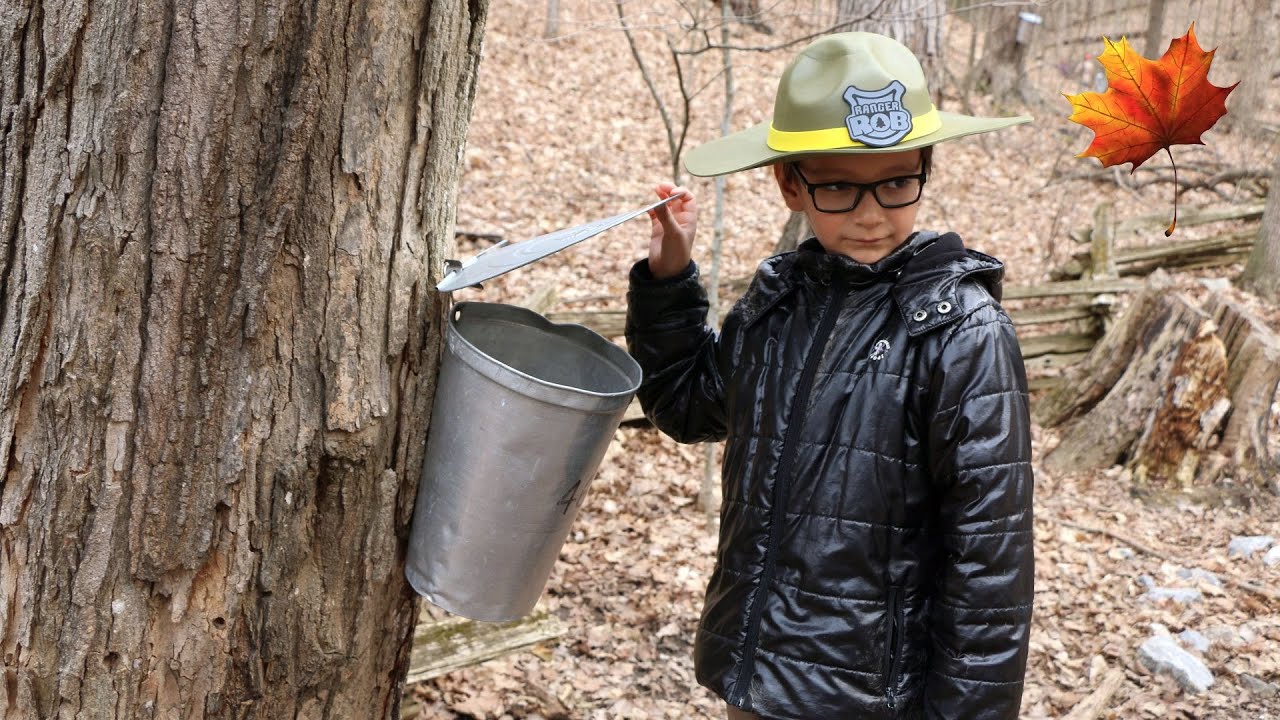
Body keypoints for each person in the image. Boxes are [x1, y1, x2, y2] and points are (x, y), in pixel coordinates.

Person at [624, 32, 1035, 719]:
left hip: (874, 700)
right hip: (757, 686)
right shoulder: (778, 305)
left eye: (897, 182)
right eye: (840, 187)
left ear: (924, 169)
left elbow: (992, 568)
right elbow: (686, 407)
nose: (873, 214)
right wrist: (669, 276)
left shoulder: (962, 333)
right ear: (791, 183)